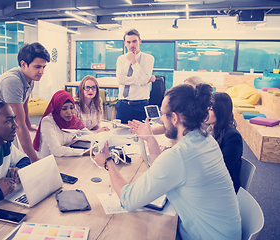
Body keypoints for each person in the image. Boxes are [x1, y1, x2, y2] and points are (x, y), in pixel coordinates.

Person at [94, 84, 241, 240]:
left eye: (163, 114)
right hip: (218, 232)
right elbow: (164, 169)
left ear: (175, 118)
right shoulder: (206, 140)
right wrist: (149, 138)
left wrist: (108, 162)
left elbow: (128, 200)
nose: (161, 119)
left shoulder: (179, 156)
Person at [0, 42, 50, 163]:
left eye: (44, 67)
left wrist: (29, 126)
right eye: (38, 67)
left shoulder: (29, 80)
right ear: (23, 64)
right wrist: (34, 159)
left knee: (11, 164)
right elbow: (19, 124)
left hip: (2, 125)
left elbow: (24, 105)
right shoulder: (13, 81)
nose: (42, 71)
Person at [33, 90, 90, 158]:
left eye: (72, 108)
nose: (69, 112)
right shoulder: (47, 122)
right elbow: (56, 150)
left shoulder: (73, 121)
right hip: (48, 161)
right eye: (64, 109)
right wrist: (85, 151)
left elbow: (89, 134)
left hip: (65, 159)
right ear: (57, 108)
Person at [115, 28, 155, 124]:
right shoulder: (121, 59)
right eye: (128, 42)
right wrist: (142, 80)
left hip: (141, 106)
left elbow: (143, 80)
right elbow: (120, 80)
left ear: (139, 41)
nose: (131, 45)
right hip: (123, 105)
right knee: (120, 135)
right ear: (125, 43)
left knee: (141, 135)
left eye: (134, 41)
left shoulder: (148, 58)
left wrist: (134, 62)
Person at [205, 92, 243, 193]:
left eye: (211, 109)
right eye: (206, 108)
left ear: (220, 111)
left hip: (223, 189)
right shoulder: (209, 130)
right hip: (210, 182)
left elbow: (221, 169)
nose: (206, 112)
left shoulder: (232, 137)